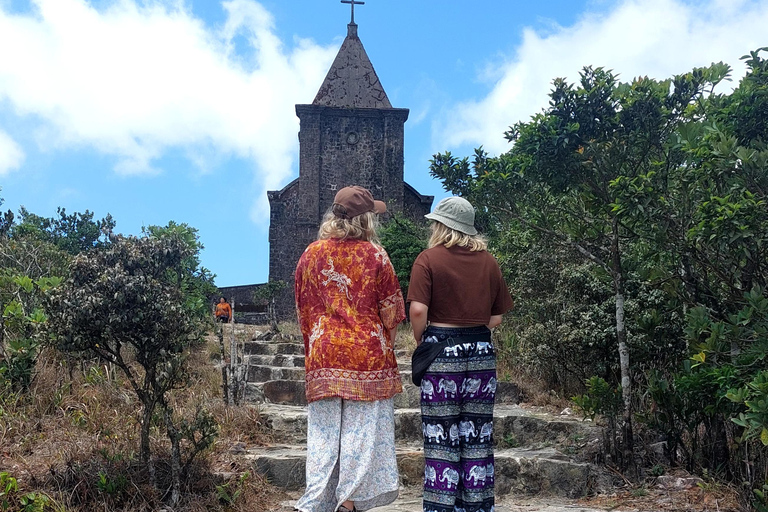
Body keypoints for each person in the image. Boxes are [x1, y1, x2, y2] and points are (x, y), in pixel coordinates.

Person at [294, 185, 406, 512]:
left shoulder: (310, 254)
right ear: (366, 219)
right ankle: (348, 504)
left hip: (324, 354)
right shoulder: (375, 255)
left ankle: (315, 503)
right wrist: (387, 348)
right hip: (367, 357)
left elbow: (303, 309)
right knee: (360, 437)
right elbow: (391, 313)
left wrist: (315, 346)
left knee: (323, 439)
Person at [407, 197, 514, 512]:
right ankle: (478, 508)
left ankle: (441, 508)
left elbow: (417, 310)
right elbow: (496, 318)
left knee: (442, 440)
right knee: (477, 436)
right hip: (481, 353)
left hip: (441, 351)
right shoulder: (489, 262)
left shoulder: (428, 260)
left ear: (442, 225)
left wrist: (422, 340)